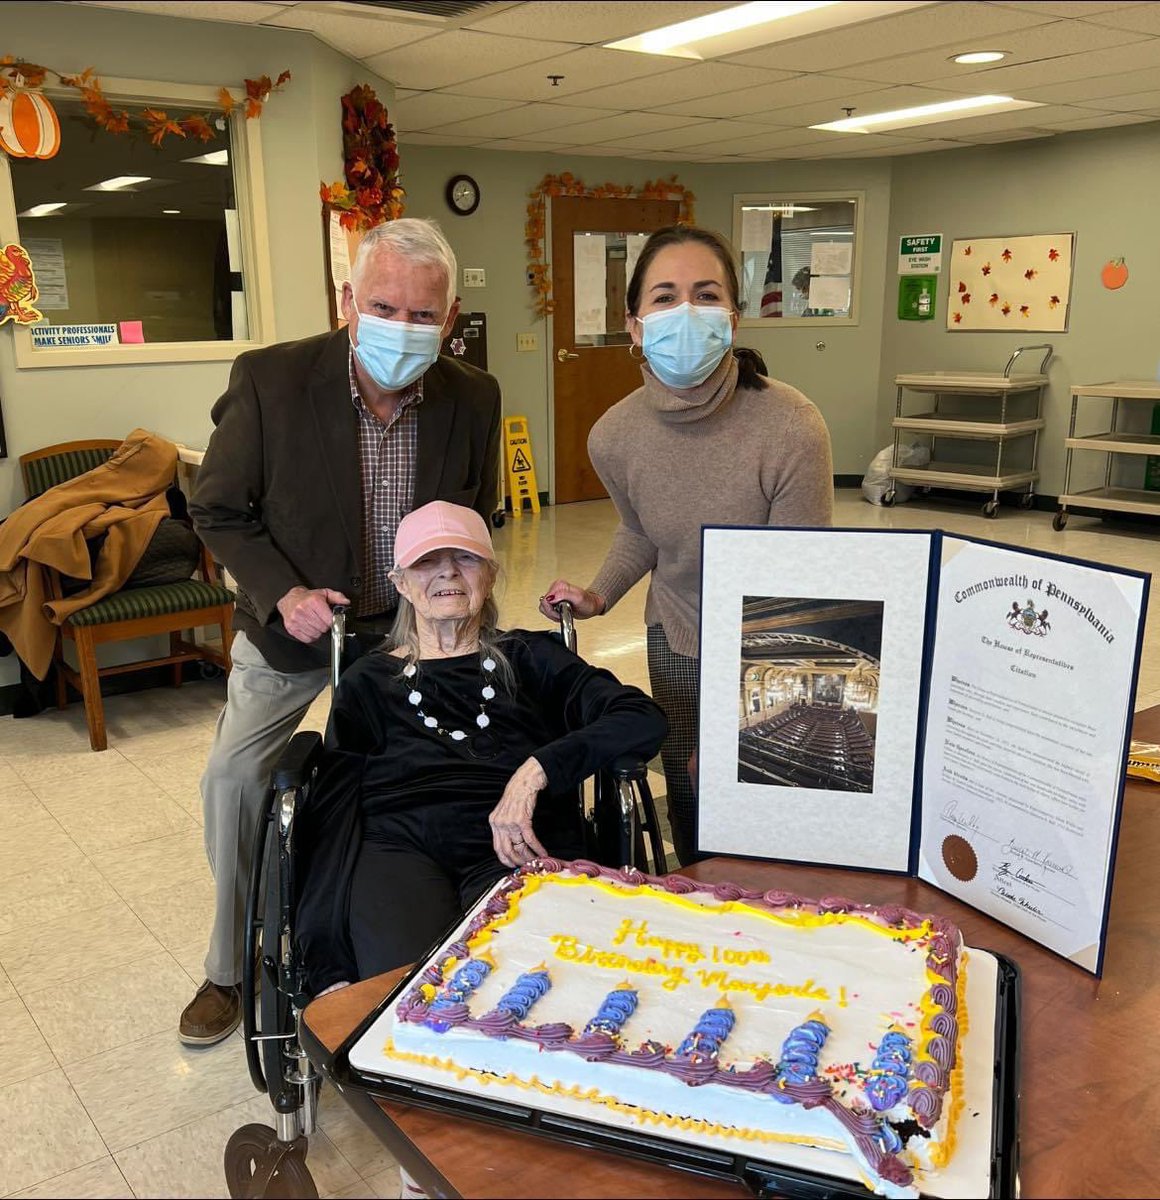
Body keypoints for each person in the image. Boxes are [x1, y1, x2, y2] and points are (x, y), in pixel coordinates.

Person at [181, 219, 501, 1046]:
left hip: (405, 638)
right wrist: (282, 592)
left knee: (415, 787)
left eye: (423, 315)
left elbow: (473, 516)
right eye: (384, 305)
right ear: (348, 300)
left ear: (452, 313)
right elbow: (216, 509)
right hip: (292, 630)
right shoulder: (270, 382)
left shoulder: (472, 395)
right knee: (236, 782)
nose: (403, 326)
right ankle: (229, 965)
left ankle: (397, 950)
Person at [539, 224, 833, 866]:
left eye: (705, 295)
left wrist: (732, 724)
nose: (686, 312)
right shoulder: (613, 436)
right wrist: (598, 594)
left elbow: (798, 592)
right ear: (636, 325)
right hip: (676, 633)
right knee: (692, 802)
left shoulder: (790, 427)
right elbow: (640, 530)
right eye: (665, 297)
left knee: (761, 802)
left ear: (733, 316)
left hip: (769, 646)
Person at [293, 501, 668, 994]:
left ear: (490, 575)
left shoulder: (532, 656)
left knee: (531, 986)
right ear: (400, 581)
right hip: (398, 846)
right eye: (427, 561)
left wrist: (535, 771)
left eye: (466, 559)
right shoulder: (369, 679)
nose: (448, 570)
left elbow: (640, 717)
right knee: (406, 992)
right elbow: (337, 809)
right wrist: (326, 961)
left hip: (519, 838)